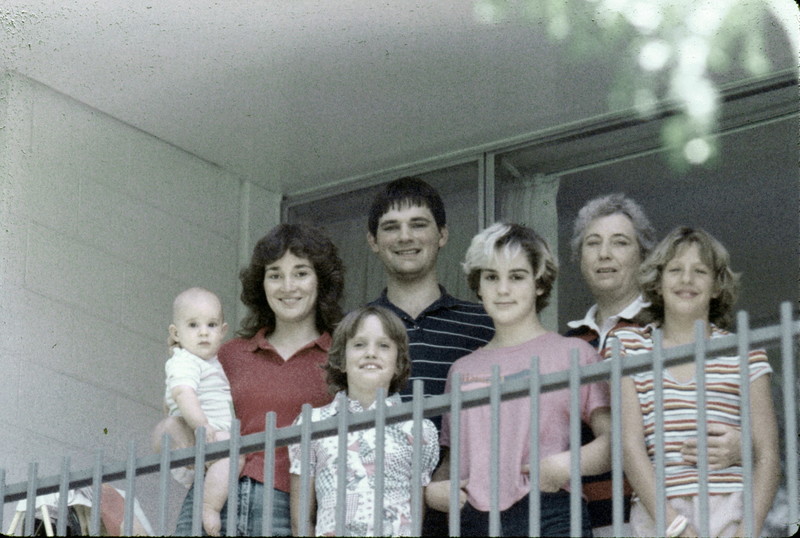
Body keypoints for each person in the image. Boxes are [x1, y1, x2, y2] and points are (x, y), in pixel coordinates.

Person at [427, 223, 611, 536]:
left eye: (516, 276)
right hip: (473, 518)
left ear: (539, 283)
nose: (502, 289)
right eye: (491, 276)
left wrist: (564, 465)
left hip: (552, 507)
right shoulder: (460, 369)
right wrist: (433, 491)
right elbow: (453, 456)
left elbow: (614, 442)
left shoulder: (574, 353)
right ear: (478, 285)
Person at [170, 224, 345, 536]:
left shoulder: (341, 359)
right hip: (212, 500)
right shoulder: (228, 354)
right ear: (262, 284)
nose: (287, 285)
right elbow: (181, 415)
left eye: (301, 273)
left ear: (321, 280)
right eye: (275, 274)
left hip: (284, 509)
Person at [608, 227, 779, 537]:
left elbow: (768, 455)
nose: (686, 279)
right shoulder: (629, 345)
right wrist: (674, 525)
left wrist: (747, 531)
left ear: (716, 286)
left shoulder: (744, 350)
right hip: (659, 510)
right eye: (675, 270)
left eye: (699, 271)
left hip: (734, 509)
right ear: (658, 283)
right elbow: (629, 446)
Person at [366, 177, 494, 534]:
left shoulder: (485, 323)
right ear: (373, 242)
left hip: (468, 508)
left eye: (418, 224)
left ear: (442, 235)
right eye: (391, 227)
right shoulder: (357, 331)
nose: (405, 237)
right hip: (379, 510)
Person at [288, 306, 439, 536]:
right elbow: (301, 520)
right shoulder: (313, 423)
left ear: (398, 362)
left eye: (384, 345)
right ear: (341, 359)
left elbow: (416, 517)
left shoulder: (418, 429)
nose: (371, 353)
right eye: (359, 344)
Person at [154, 287, 241, 536]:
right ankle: (209, 507)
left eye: (211, 325)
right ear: (176, 333)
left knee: (233, 448)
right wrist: (200, 424)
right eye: (193, 325)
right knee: (236, 449)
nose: (203, 332)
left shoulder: (211, 363)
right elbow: (183, 393)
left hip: (207, 440)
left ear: (223, 331)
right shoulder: (185, 360)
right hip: (198, 435)